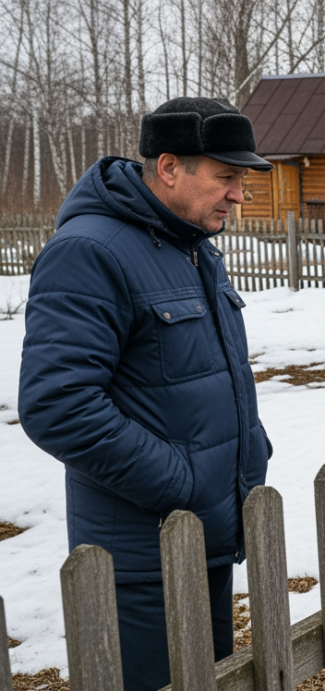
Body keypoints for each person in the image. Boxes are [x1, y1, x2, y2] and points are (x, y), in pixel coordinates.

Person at [19, 98, 274, 691]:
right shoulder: (91, 251)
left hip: (204, 537)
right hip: (140, 557)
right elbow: (59, 405)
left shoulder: (188, 245)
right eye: (226, 177)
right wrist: (183, 484)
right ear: (167, 167)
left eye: (242, 179)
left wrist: (243, 458)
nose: (240, 193)